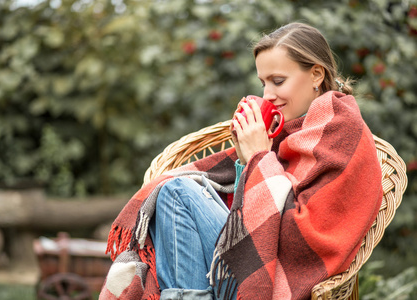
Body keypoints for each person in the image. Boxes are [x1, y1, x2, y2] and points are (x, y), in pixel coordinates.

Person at [99, 22, 383, 300]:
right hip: (248, 254)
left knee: (177, 193)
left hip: (281, 266)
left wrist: (259, 156)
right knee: (174, 192)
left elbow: (300, 235)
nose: (268, 94)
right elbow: (245, 206)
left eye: (278, 81)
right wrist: (247, 159)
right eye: (263, 83)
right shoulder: (287, 133)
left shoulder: (342, 131)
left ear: (316, 75)